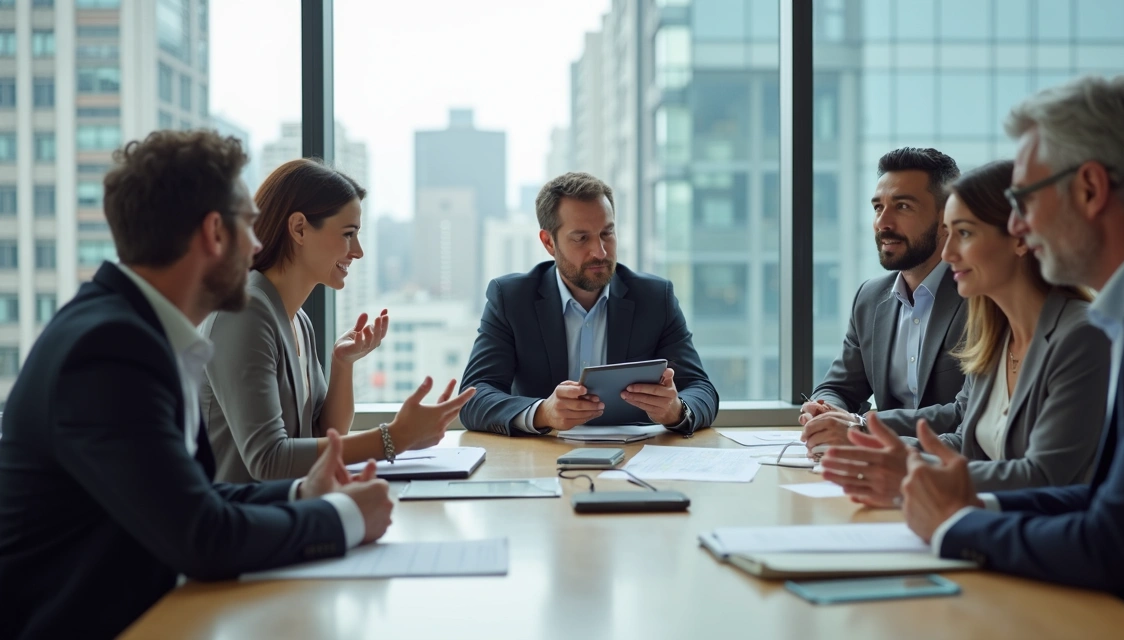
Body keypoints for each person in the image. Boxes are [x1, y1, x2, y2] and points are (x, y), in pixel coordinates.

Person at [0, 130, 394, 640]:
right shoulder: (106, 349)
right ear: (214, 233)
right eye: (248, 225)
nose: (257, 245)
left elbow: (192, 496)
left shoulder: (134, 331)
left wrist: (302, 492)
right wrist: (342, 518)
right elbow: (201, 536)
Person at [897, 76, 1124, 638]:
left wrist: (956, 526)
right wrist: (975, 506)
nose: (1017, 225)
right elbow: (1108, 498)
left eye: (1023, 200)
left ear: (1089, 189)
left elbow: (1115, 542)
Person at [819, 160, 1109, 505]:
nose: (948, 252)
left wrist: (906, 467)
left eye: (965, 233)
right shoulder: (995, 333)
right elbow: (964, 440)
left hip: (1039, 530)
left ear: (1020, 239)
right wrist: (873, 448)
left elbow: (1044, 475)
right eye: (948, 231)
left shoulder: (1081, 336)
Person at [201, 159, 474, 483]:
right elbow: (269, 460)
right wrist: (396, 437)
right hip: (242, 511)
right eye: (348, 234)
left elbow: (325, 436)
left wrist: (342, 365)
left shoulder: (297, 320)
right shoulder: (243, 313)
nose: (357, 251)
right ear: (299, 228)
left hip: (290, 505)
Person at [459, 172, 718, 436]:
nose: (600, 251)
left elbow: (701, 390)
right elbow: (473, 398)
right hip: (545, 452)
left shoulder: (654, 298)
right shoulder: (512, 299)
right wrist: (543, 413)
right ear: (549, 242)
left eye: (607, 233)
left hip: (635, 453)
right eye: (581, 238)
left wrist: (676, 410)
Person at [801, 148, 968, 449]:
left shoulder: (979, 298)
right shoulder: (870, 298)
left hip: (949, 463)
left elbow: (967, 413)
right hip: (876, 464)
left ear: (946, 218)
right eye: (878, 207)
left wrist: (862, 426)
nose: (883, 223)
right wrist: (824, 410)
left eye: (902, 206)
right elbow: (838, 387)